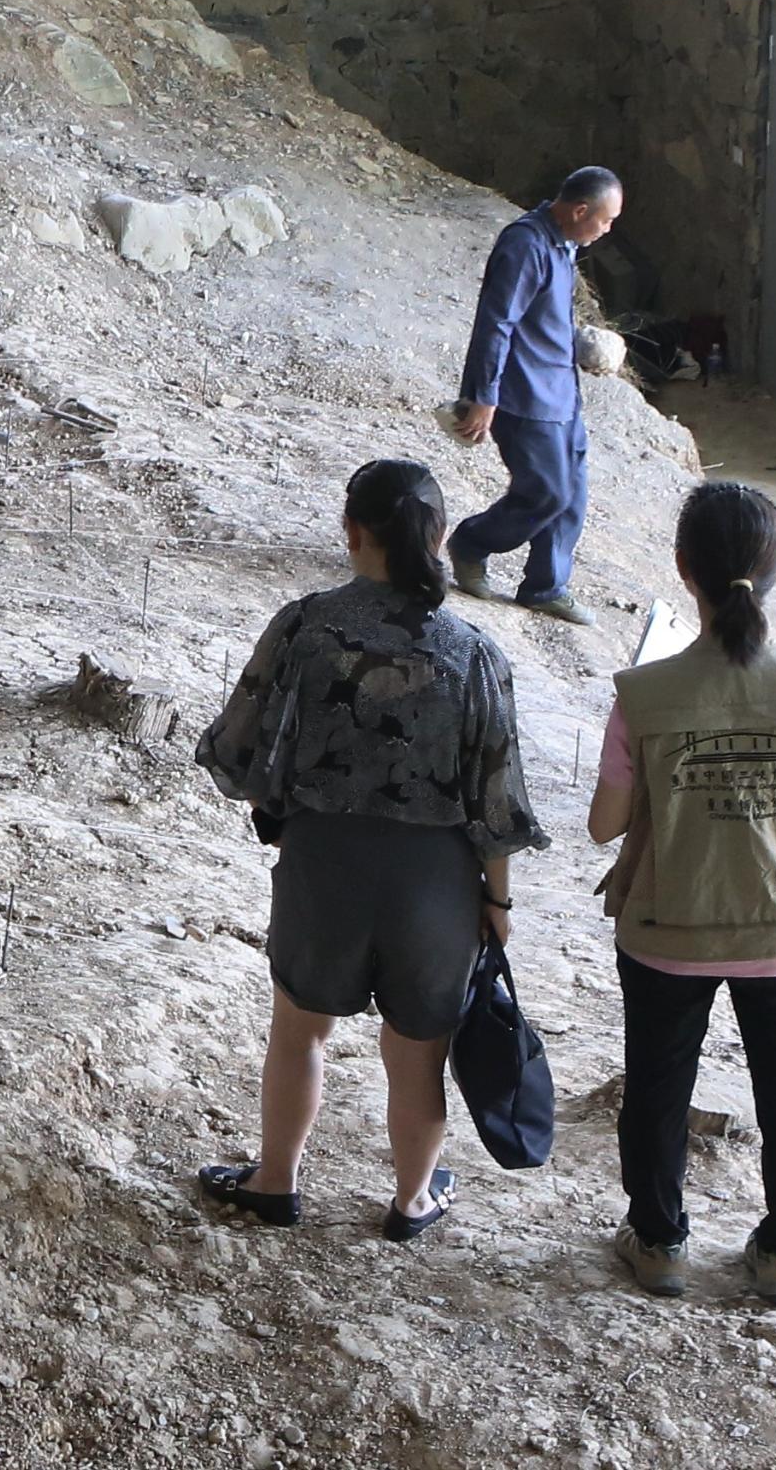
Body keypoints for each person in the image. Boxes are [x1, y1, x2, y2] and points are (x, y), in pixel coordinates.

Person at [195, 458, 546, 1238]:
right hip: (437, 881)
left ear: (350, 531)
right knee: (417, 1053)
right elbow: (498, 799)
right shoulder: (473, 651)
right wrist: (497, 898)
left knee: (298, 1028)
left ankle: (275, 1180)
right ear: (440, 537)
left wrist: (283, 818)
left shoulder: (304, 624)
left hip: (322, 861)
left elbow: (237, 749)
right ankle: (411, 1199)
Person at [589, 482, 776, 1308]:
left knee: (656, 1084)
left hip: (667, 925)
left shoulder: (641, 693)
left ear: (683, 571)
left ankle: (659, 1241)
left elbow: (604, 826)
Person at [447, 165, 624, 625]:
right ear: (580, 209)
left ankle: (545, 586)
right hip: (525, 397)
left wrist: (581, 345)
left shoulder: (562, 245)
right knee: (546, 492)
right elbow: (496, 323)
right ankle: (471, 543)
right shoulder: (525, 244)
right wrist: (484, 395)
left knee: (574, 495)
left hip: (562, 395)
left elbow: (541, 319)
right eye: (605, 221)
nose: (607, 230)